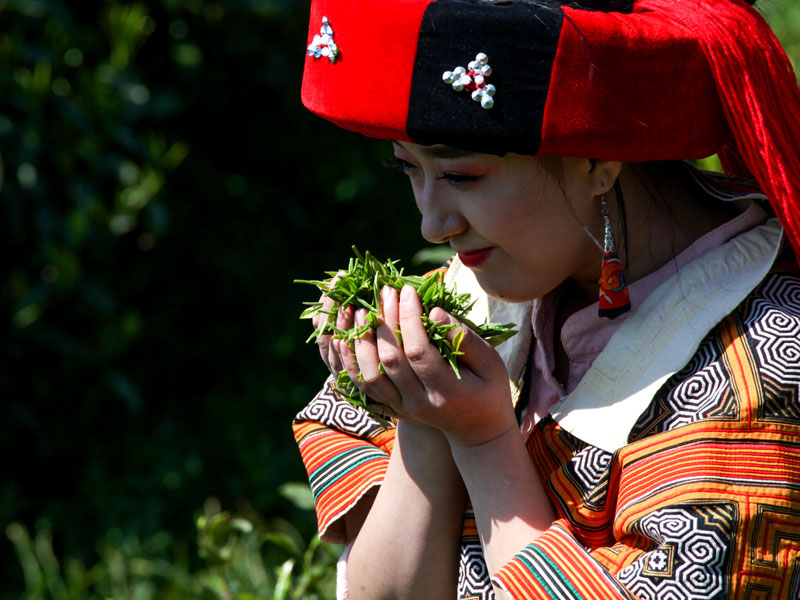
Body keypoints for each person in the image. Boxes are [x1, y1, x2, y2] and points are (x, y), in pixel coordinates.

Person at [293, 0, 800, 598]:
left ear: (597, 159)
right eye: (408, 168)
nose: (432, 225)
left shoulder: (765, 367)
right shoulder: (476, 291)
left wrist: (482, 440)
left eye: (462, 176)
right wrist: (424, 417)